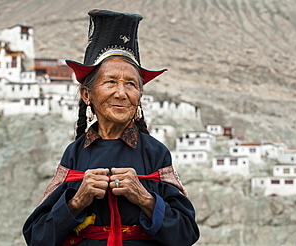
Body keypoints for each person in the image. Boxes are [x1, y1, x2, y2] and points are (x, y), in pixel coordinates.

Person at [23, 9, 200, 246]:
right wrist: (78, 201)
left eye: (131, 84)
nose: (121, 93)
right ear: (88, 95)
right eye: (110, 82)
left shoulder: (155, 153)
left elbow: (186, 234)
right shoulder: (74, 155)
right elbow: (37, 237)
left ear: (139, 96)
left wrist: (144, 198)